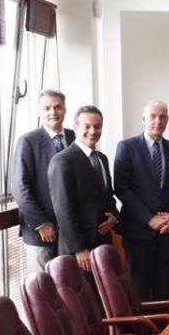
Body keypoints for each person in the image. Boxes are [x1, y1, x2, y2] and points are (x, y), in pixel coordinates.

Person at [113, 101, 169, 301]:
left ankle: (163, 323)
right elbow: (122, 188)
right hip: (138, 232)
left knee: (164, 289)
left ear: (167, 120)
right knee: (139, 290)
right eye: (153, 116)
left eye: (162, 117)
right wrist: (149, 218)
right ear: (143, 119)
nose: (158, 121)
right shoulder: (127, 147)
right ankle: (142, 324)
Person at [47, 105, 119, 271]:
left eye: (97, 126)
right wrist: (79, 248)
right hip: (78, 249)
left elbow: (108, 197)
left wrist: (115, 216)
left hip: (102, 242)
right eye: (87, 126)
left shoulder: (102, 159)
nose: (93, 131)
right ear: (75, 128)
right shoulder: (62, 161)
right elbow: (63, 209)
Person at [13, 89, 75, 270]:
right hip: (41, 232)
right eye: (47, 108)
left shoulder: (75, 137)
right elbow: (20, 187)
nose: (53, 112)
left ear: (65, 110)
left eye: (58, 107)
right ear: (39, 112)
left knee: (68, 282)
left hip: (71, 230)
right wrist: (40, 223)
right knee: (42, 284)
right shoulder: (27, 141)